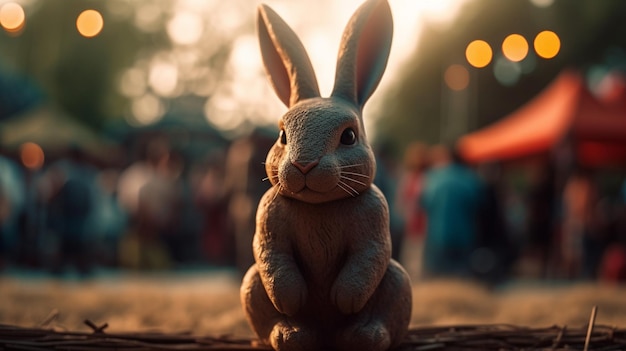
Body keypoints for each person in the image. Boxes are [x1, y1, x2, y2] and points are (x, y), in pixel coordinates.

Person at [419, 144, 484, 279]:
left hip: (438, 236)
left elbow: (425, 204)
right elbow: (479, 206)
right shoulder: (470, 179)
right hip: (464, 237)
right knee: (460, 280)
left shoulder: (433, 178)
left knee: (437, 279)